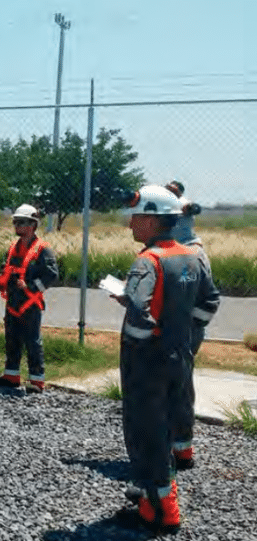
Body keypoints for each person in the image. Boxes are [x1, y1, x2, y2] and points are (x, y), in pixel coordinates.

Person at [114, 185, 219, 533]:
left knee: (147, 431)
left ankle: (161, 511)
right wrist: (182, 334)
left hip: (148, 363)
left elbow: (139, 314)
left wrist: (140, 345)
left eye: (136, 218)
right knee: (166, 424)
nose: (131, 225)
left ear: (153, 219)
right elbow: (209, 303)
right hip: (178, 356)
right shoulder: (192, 255)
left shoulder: (148, 261)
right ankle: (148, 495)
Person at [164, 180, 217, 470]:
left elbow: (209, 300)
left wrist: (190, 330)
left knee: (180, 385)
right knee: (168, 385)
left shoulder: (193, 253)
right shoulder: (169, 251)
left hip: (183, 334)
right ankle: (168, 444)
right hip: (168, 332)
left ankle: (182, 449)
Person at [0, 204, 59, 394]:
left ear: (32, 225)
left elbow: (52, 275)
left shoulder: (43, 250)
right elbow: (6, 267)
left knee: (32, 341)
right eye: (15, 222)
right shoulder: (13, 247)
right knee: (12, 338)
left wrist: (31, 287)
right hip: (13, 300)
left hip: (30, 303)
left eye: (20, 222)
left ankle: (36, 380)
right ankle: (11, 375)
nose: (16, 226)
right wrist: (2, 280)